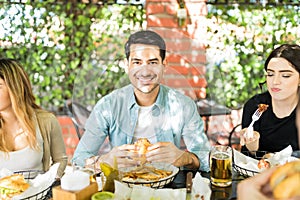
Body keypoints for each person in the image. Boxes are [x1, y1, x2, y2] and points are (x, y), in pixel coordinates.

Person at [72, 30, 211, 172]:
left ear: (164, 65)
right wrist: (103, 161)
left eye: (153, 62)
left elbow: (206, 159)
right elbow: (79, 159)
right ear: (127, 65)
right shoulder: (108, 106)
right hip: (121, 187)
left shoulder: (183, 105)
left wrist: (185, 158)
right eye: (137, 62)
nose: (145, 72)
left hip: (169, 189)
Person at [0, 58, 67, 178]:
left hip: (39, 195)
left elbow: (60, 160)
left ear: (15, 88)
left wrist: (47, 184)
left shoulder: (46, 121)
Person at [241, 44, 300, 152]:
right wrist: (252, 146)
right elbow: (247, 160)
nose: (275, 82)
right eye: (270, 74)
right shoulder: (254, 106)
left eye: (285, 75)